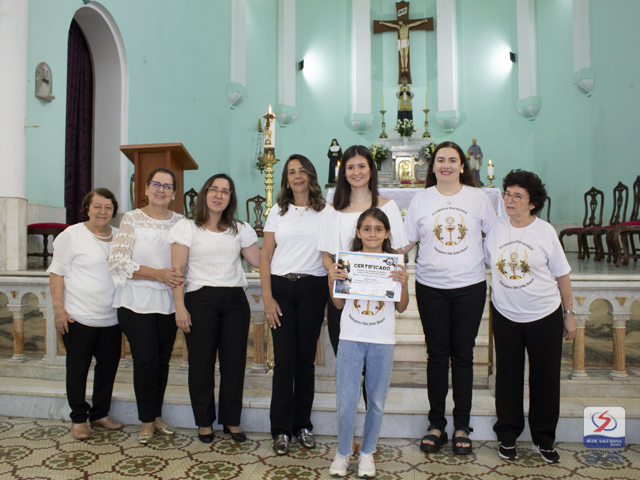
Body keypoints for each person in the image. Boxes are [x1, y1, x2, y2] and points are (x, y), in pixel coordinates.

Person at [403, 141, 497, 455]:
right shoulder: (421, 199)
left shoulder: (478, 198)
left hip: (470, 286)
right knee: (437, 355)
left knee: (464, 355)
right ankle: (436, 424)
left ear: (462, 166)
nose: (446, 165)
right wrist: (370, 258)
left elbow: (495, 237)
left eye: (452, 160)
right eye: (440, 160)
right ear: (432, 166)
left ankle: (462, 425)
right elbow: (405, 242)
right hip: (430, 287)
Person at [484, 169, 576, 464]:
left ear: (532, 203)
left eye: (517, 196)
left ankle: (543, 439)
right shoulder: (496, 229)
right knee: (507, 378)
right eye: (507, 194)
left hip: (544, 314)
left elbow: (562, 275)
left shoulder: (545, 231)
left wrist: (569, 314)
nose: (509, 200)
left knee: (545, 379)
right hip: (506, 315)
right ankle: (507, 436)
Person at [170, 174, 260, 444]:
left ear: (231, 198)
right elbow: (177, 271)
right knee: (201, 363)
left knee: (234, 363)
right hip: (200, 300)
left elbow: (260, 261)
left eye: (225, 191)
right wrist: (179, 307)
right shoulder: (187, 227)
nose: (218, 195)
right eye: (214, 189)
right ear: (205, 193)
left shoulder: (240, 228)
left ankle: (232, 419)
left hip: (234, 301)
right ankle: (204, 421)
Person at [327, 208, 409, 478]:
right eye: (367, 228)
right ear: (358, 232)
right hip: (351, 337)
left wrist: (404, 284)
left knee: (376, 400)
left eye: (378, 229)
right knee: (346, 399)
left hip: (381, 339)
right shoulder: (347, 263)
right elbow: (339, 304)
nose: (372, 233)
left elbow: (401, 307)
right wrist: (332, 280)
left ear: (387, 233)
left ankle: (367, 453)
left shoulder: (395, 264)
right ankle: (342, 452)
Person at [109, 168, 184, 445]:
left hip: (168, 303)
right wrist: (157, 274)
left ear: (174, 193)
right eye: (156, 184)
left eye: (167, 186)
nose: (160, 190)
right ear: (146, 189)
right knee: (145, 362)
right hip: (135, 302)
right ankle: (145, 421)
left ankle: (157, 416)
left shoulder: (181, 222)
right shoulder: (132, 218)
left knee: (162, 363)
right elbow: (117, 262)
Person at [259, 155, 328, 455]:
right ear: (286, 180)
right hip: (282, 289)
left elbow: (330, 255)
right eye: (291, 172)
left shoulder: (325, 211)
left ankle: (303, 426)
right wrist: (268, 298)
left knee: (305, 361)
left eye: (302, 171)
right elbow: (265, 255)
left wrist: (329, 299)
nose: (297, 176)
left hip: (313, 289)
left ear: (310, 175)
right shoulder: (278, 211)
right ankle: (280, 430)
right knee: (284, 361)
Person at [318, 144, 408, 355]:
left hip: (379, 294)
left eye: (361, 166)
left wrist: (397, 279)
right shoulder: (332, 210)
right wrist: (335, 274)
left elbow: (397, 254)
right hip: (344, 292)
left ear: (371, 170)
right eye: (350, 167)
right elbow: (326, 256)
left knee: (375, 361)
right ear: (343, 172)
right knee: (345, 358)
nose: (356, 172)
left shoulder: (388, 206)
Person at [49, 188, 122, 440]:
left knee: (108, 369)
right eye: (97, 206)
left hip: (111, 318)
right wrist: (59, 309)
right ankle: (78, 418)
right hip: (78, 317)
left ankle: (100, 413)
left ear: (114, 211)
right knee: (77, 370)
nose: (103, 211)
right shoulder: (72, 235)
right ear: (87, 208)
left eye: (108, 207)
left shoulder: (120, 237)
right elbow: (56, 273)